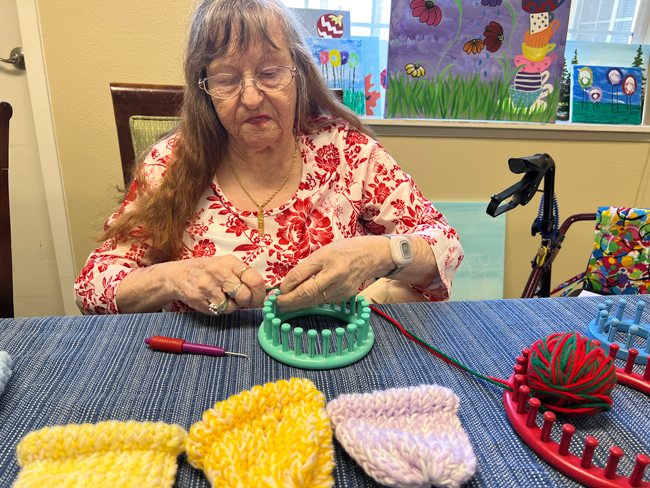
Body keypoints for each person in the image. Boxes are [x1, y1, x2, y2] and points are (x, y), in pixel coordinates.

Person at [74, 0, 464, 316]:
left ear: (299, 74)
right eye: (226, 79)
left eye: (270, 72)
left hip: (335, 354)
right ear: (205, 90)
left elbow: (445, 245)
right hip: (204, 363)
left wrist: (378, 254)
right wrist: (177, 278)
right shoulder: (169, 163)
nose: (250, 97)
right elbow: (94, 283)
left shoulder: (346, 151)